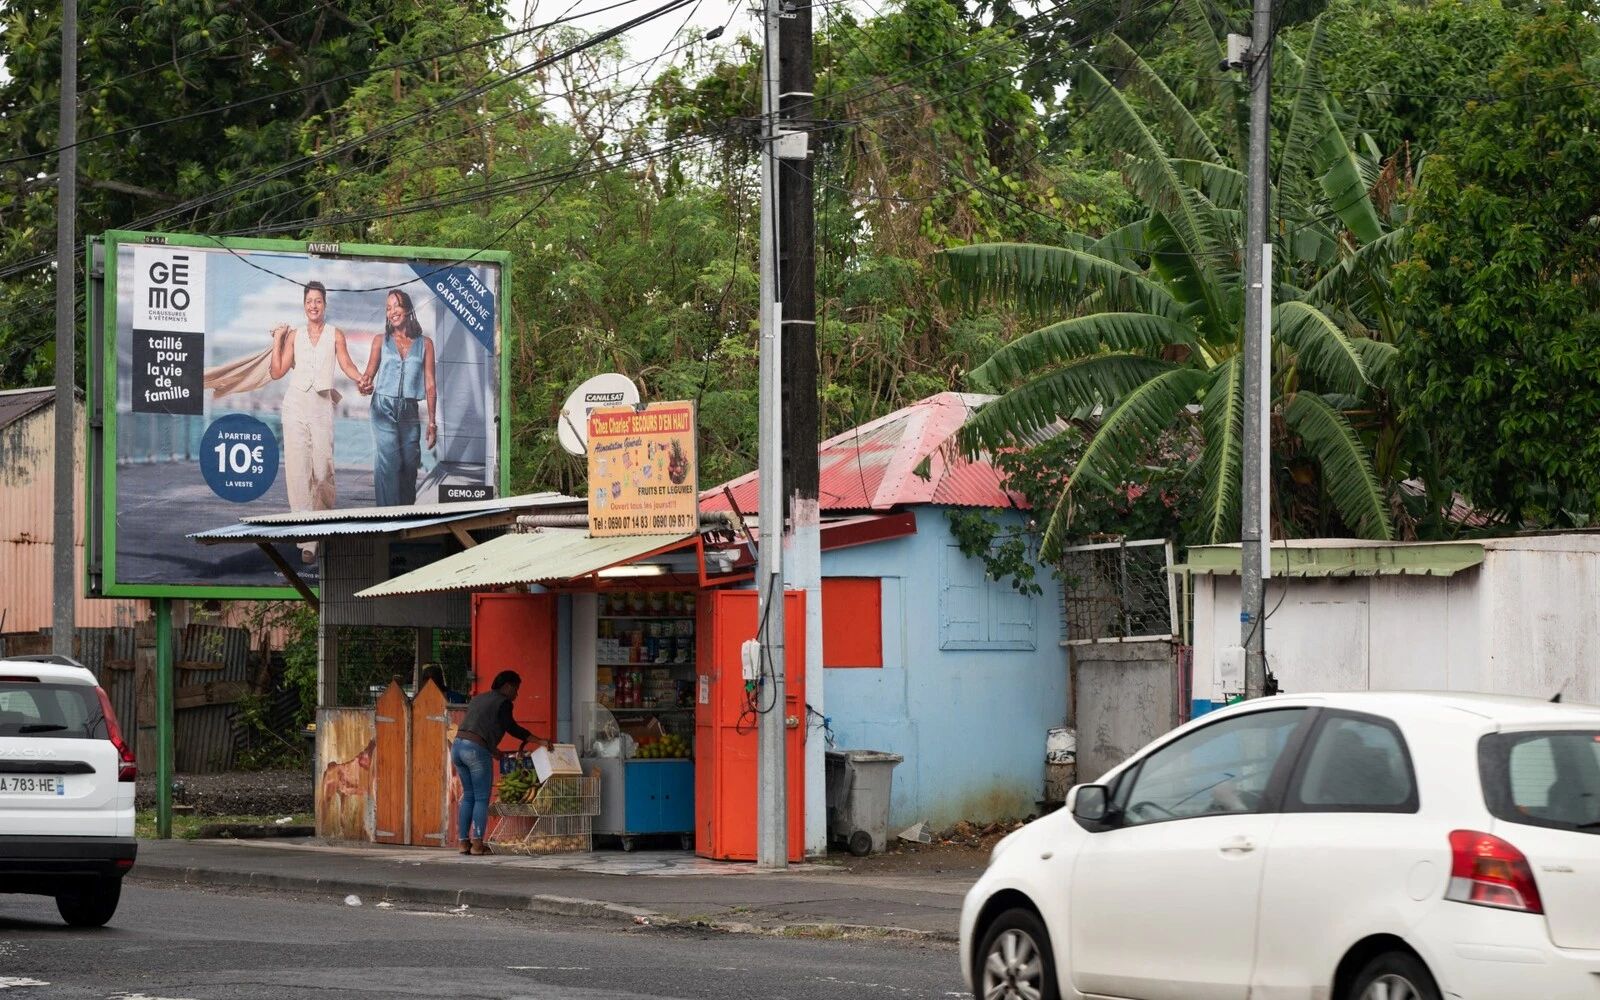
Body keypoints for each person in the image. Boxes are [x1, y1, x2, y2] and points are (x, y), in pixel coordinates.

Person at [269, 280, 367, 562]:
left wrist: (360, 378)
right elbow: (277, 372)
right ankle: (307, 538)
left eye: (318, 301)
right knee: (298, 472)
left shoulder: (336, 334)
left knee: (322, 471)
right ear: (304, 305)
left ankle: (320, 524)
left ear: (325, 305)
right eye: (309, 301)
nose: (314, 305)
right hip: (295, 405)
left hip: (322, 406)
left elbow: (346, 364)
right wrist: (278, 339)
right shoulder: (294, 336)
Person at [451, 670, 552, 855]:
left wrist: (492, 750)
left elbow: (477, 727)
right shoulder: (503, 702)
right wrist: (538, 740)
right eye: (516, 689)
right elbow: (511, 726)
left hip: (458, 747)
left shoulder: (478, 699)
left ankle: (463, 843)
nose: (517, 694)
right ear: (507, 686)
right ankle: (478, 844)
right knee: (481, 798)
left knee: (469, 796)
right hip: (475, 750)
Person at [358, 289, 437, 507]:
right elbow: (368, 376)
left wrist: (432, 423)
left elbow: (430, 384)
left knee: (410, 465)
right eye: (388, 308)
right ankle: (387, 519)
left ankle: (404, 515)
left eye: (396, 306)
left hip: (410, 410)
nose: (392, 312)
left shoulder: (426, 344)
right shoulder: (379, 341)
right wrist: (364, 385)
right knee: (389, 463)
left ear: (408, 309)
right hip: (383, 407)